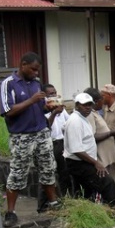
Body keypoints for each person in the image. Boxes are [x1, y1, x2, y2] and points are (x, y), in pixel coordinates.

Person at [0, 52, 61, 227]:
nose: (36, 73)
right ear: (23, 65)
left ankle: (54, 204)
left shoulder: (36, 83)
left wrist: (50, 108)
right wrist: (31, 100)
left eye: (38, 70)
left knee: (48, 168)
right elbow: (8, 111)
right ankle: (10, 212)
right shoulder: (8, 84)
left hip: (41, 132)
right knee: (18, 173)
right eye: (33, 69)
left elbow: (38, 109)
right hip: (22, 136)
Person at [63, 93, 115, 207]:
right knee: (107, 183)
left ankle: (90, 212)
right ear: (77, 105)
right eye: (84, 105)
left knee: (86, 191)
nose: (88, 107)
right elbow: (77, 150)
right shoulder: (75, 121)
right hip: (79, 162)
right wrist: (96, 163)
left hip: (85, 161)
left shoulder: (82, 119)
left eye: (90, 105)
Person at [37, 83, 71, 212]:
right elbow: (46, 127)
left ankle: (64, 201)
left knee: (64, 174)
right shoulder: (43, 109)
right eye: (50, 94)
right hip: (49, 144)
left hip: (61, 143)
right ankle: (43, 206)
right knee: (48, 175)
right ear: (45, 96)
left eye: (55, 93)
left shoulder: (60, 109)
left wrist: (60, 111)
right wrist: (53, 113)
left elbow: (68, 123)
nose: (54, 96)